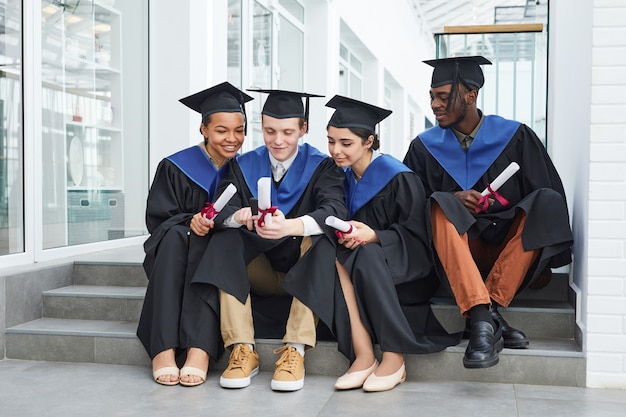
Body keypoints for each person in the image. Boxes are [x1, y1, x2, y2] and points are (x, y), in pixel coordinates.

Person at [403, 56, 573, 369]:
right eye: (431, 97)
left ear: (471, 95)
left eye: (443, 96)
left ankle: (484, 308)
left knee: (546, 200)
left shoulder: (515, 136)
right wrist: (452, 198)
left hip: (505, 251)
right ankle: (484, 317)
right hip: (456, 250)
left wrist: (501, 203)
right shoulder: (424, 147)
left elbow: (540, 194)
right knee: (438, 204)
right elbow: (406, 205)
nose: (434, 105)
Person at [193, 89, 347, 391]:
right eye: (269, 131)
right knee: (225, 239)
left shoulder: (322, 166)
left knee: (323, 241)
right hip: (259, 270)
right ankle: (242, 350)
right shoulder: (243, 164)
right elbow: (222, 208)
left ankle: (295, 349)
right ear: (260, 126)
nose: (278, 140)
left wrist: (289, 226)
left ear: (302, 129)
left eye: (288, 132)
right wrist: (238, 218)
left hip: (304, 269)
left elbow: (334, 210)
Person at [325, 96, 460, 392]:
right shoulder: (339, 178)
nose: (336, 150)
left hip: (405, 271)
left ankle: (393, 357)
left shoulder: (398, 178)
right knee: (336, 255)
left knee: (368, 254)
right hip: (359, 267)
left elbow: (418, 239)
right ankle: (363, 356)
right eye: (331, 141)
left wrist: (374, 236)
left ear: (369, 141)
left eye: (346, 143)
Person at [137, 82, 253, 386]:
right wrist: (191, 221)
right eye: (222, 130)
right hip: (177, 246)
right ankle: (163, 349)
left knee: (216, 243)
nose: (232, 139)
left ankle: (199, 349)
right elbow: (159, 219)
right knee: (177, 238)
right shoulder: (176, 166)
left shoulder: (245, 169)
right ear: (204, 129)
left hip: (225, 248)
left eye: (239, 130)